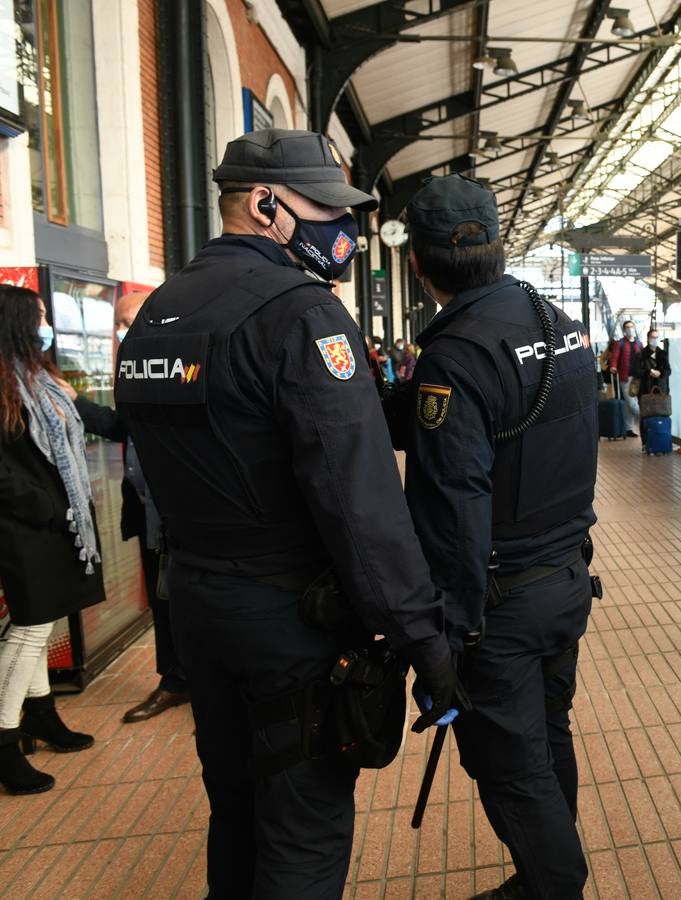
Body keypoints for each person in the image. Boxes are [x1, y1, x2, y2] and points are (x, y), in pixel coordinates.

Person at [113, 129, 459, 897]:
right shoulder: (301, 315)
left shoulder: (154, 315)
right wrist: (422, 637)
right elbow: (359, 503)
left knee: (235, 810)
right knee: (302, 827)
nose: (342, 231)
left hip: (200, 606)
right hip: (289, 624)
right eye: (324, 210)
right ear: (266, 205)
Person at [394, 174, 599, 900]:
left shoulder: (455, 357)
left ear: (416, 264)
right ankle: (544, 875)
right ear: (498, 243)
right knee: (548, 736)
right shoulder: (559, 323)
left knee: (511, 767)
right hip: (567, 579)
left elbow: (457, 508)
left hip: (500, 606)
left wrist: (445, 636)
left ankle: (555, 884)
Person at [0, 286, 119, 794]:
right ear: (18, 324)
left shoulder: (34, 379)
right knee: (26, 632)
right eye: (40, 317)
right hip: (24, 528)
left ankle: (41, 715)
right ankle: (3, 744)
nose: (46, 324)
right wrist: (44, 505)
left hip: (52, 526)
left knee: (42, 628)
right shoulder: (6, 385)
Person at [113, 291, 189, 723]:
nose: (124, 330)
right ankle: (176, 680)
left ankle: (203, 678)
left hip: (184, 510)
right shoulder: (134, 372)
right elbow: (120, 425)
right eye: (120, 323)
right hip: (147, 509)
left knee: (190, 599)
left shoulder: (182, 366)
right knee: (162, 601)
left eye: (130, 320)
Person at [635, 326, 671, 450]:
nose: (654, 340)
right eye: (652, 337)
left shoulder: (663, 354)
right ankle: (646, 442)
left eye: (656, 337)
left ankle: (661, 441)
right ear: (648, 338)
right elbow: (636, 371)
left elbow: (668, 371)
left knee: (662, 414)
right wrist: (648, 371)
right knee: (645, 415)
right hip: (645, 389)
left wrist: (660, 373)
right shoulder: (641, 354)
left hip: (661, 389)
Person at [607, 320, 643, 437]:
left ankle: (628, 428)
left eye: (631, 327)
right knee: (632, 403)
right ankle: (644, 419)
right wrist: (613, 366)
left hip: (638, 377)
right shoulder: (620, 343)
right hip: (625, 377)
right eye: (627, 327)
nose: (630, 329)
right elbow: (614, 357)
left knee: (630, 405)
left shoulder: (639, 343)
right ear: (624, 330)